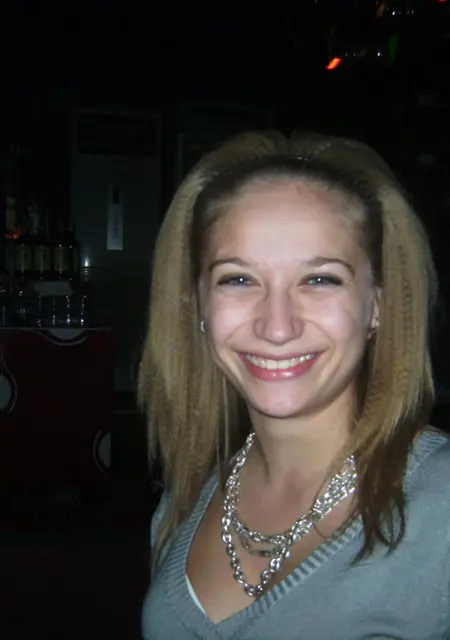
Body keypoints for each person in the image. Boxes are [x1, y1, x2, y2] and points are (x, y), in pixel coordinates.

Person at [138, 130, 450, 639]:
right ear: (199, 305)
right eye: (238, 279)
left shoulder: (441, 505)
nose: (277, 327)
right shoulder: (184, 499)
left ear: (376, 306)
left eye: (320, 279)